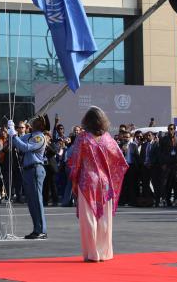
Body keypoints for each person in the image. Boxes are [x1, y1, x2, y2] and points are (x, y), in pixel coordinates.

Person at [68, 106, 128, 262]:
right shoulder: (108, 139)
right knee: (105, 219)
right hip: (105, 182)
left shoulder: (83, 138)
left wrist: (74, 178)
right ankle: (104, 253)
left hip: (87, 181)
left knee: (89, 218)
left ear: (87, 121)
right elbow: (121, 161)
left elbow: (75, 160)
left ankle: (92, 253)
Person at [7, 116, 49, 239]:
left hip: (35, 169)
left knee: (37, 200)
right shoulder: (30, 135)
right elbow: (18, 141)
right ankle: (37, 228)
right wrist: (11, 130)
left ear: (39, 125)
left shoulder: (38, 137)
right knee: (31, 202)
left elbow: (25, 147)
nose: (31, 123)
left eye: (34, 122)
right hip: (28, 170)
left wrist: (14, 135)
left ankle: (41, 230)